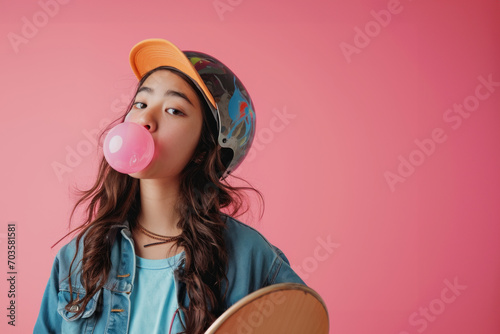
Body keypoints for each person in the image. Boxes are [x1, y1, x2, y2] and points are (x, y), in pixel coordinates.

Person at [34, 38, 305, 334]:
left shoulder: (251, 258)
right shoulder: (79, 257)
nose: (145, 120)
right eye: (141, 103)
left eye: (174, 110)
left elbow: (306, 320)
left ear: (204, 149)